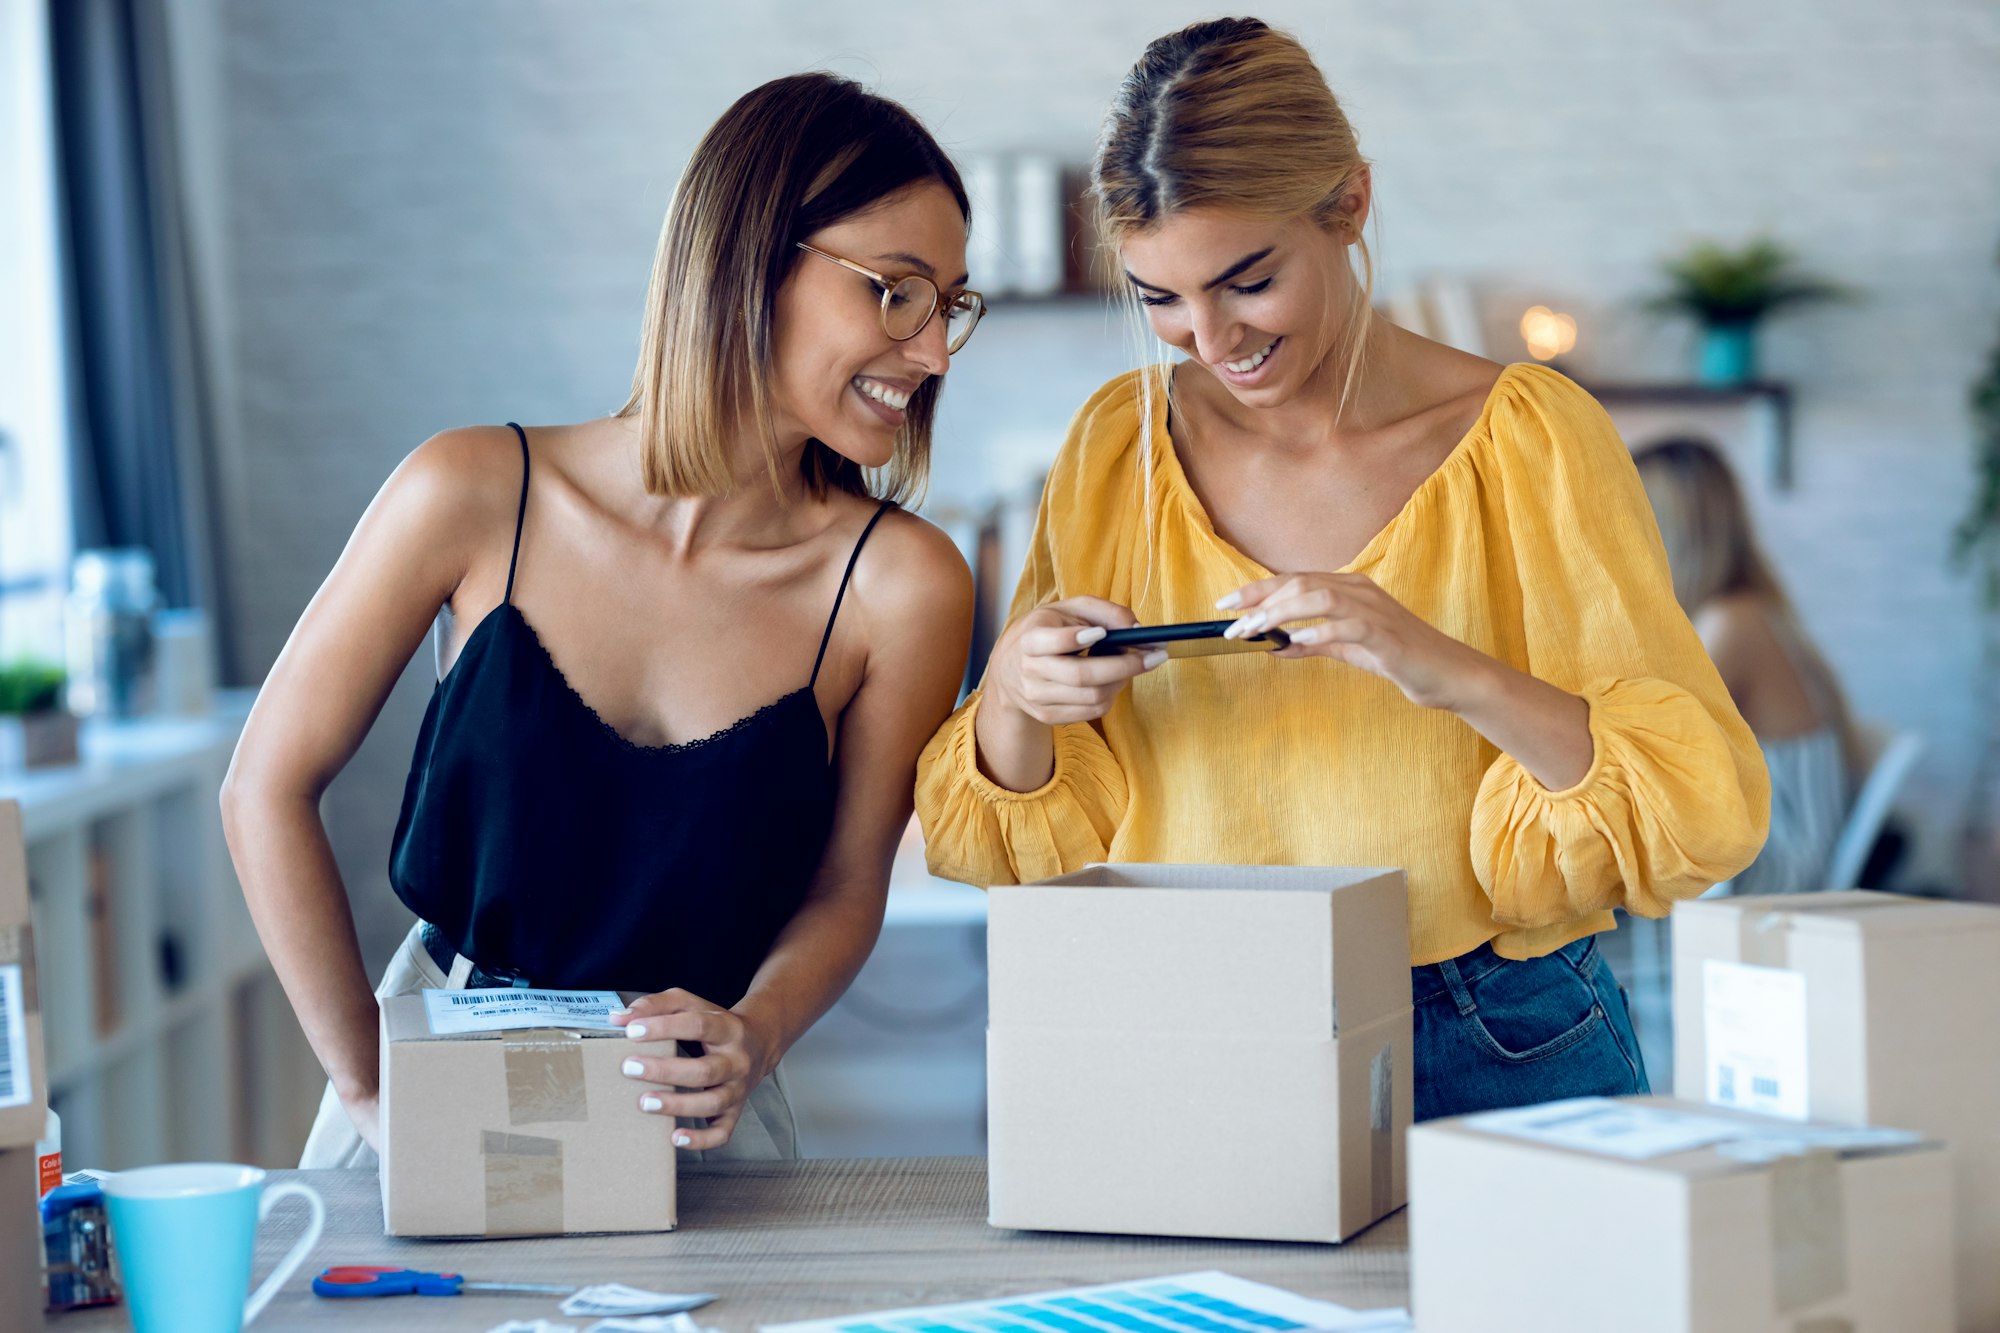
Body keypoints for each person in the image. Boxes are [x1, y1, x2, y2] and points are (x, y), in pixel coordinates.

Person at [915, 18, 1769, 1123]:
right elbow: (1021, 827)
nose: (1208, 338)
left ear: (1350, 204)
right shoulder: (1112, 447)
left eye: (1246, 281)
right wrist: (1019, 697)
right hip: (1187, 1021)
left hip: (1492, 1031)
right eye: (1159, 299)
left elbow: (1689, 802)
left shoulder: (1532, 437)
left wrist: (1436, 663)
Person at [222, 73, 977, 1165]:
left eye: (948, 305)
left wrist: (754, 1033)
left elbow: (848, 883)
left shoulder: (901, 583)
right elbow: (263, 786)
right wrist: (367, 1090)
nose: (933, 352)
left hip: (692, 1112)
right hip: (436, 1073)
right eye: (895, 292)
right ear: (750, 255)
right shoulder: (473, 490)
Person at [1634, 436, 1860, 895]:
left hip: (1775, 871)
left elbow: (1651, 743)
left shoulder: (1729, 623)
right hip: (1778, 854)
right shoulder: (1750, 610)